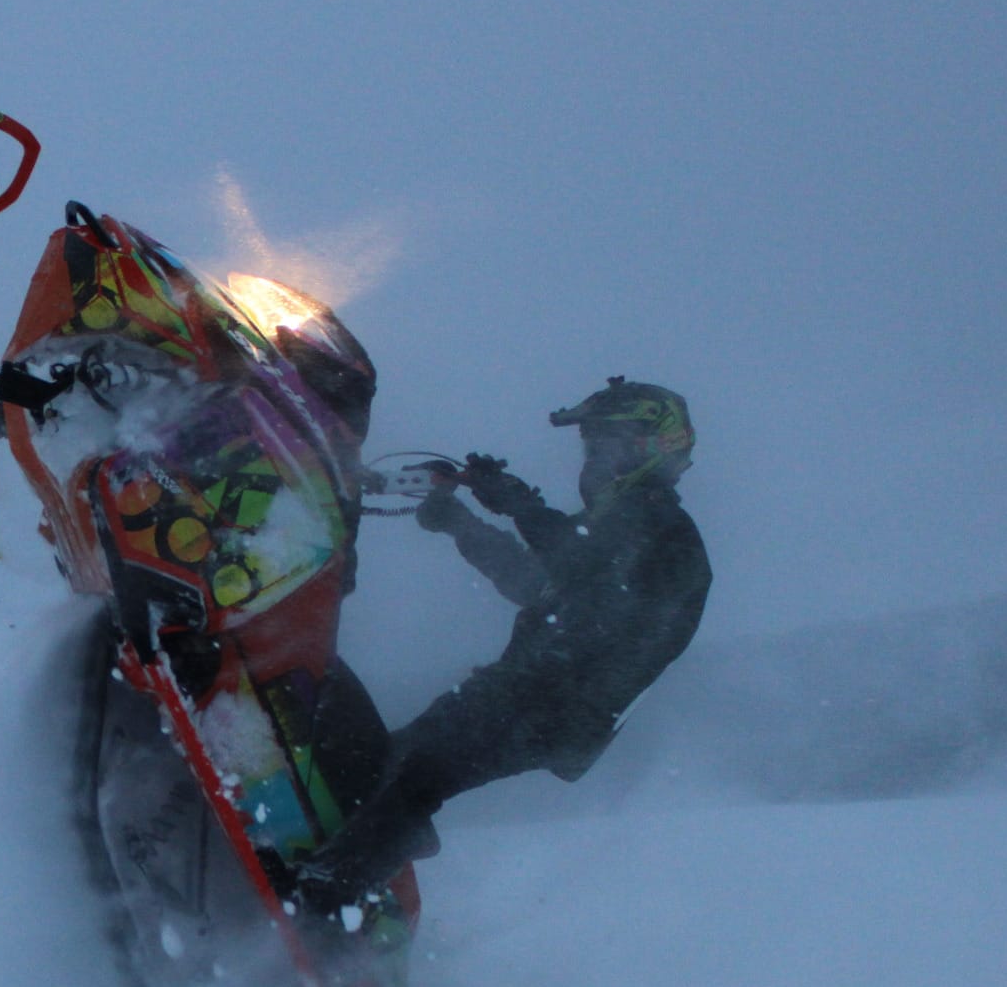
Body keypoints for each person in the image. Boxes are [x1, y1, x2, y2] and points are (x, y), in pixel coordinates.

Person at [297, 377, 713, 906]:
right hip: (534, 690)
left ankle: (323, 896)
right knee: (390, 757)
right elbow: (535, 582)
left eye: (607, 444)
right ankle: (359, 867)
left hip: (557, 703)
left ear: (650, 449)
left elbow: (574, 560)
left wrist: (516, 503)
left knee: (418, 771)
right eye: (591, 446)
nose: (593, 458)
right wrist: (461, 524)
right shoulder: (615, 524)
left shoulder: (658, 524)